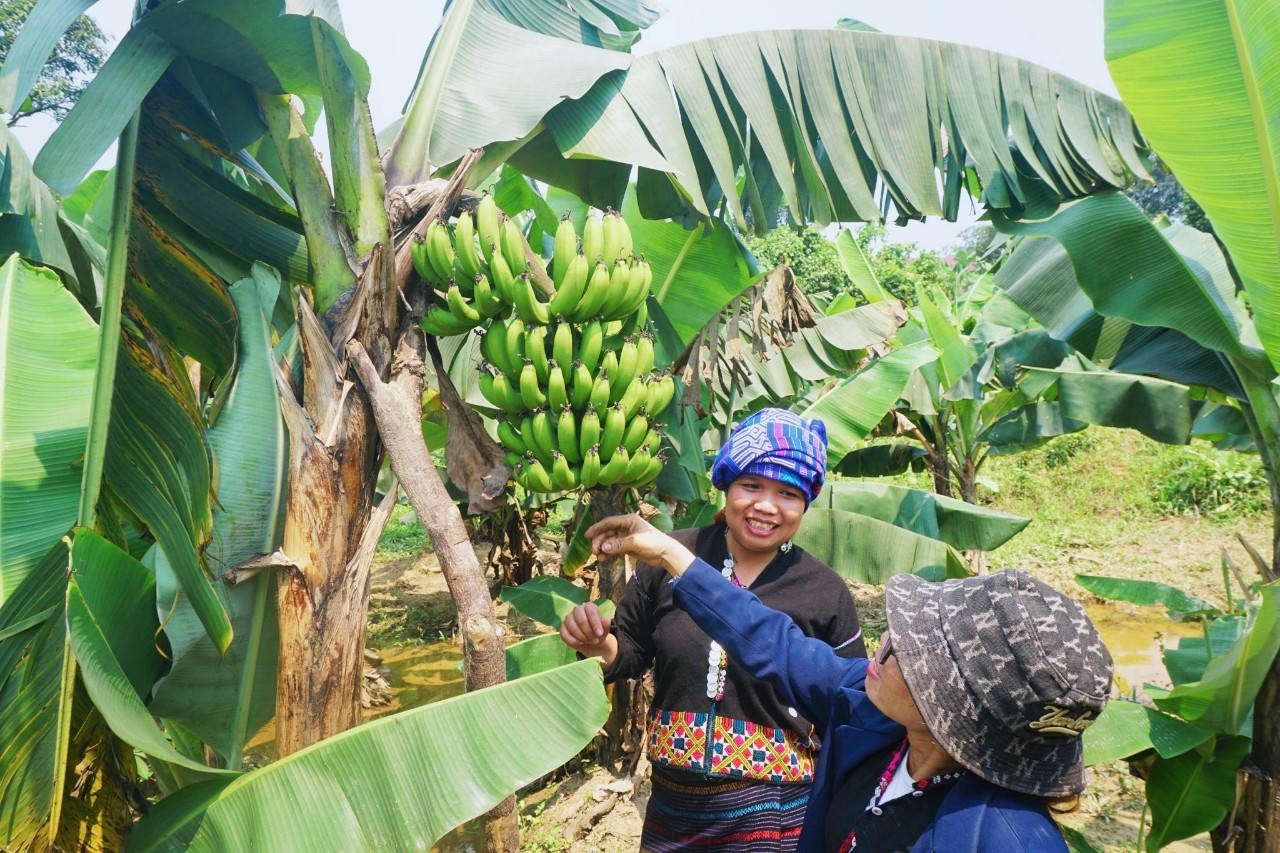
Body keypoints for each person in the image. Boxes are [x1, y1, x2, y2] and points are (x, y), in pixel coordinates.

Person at [576, 513, 1114, 853]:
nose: (880, 646)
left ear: (956, 708)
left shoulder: (1001, 838)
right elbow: (772, 643)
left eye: (911, 652)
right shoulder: (868, 712)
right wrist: (671, 554)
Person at [561, 408, 866, 852]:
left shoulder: (823, 591)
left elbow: (849, 702)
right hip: (673, 805)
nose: (766, 505)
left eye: (787, 493)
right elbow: (629, 653)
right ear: (725, 485)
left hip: (777, 812)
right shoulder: (667, 558)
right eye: (751, 485)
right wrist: (598, 645)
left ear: (805, 503)